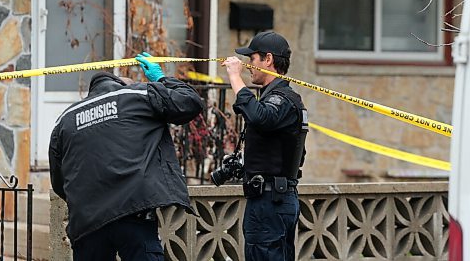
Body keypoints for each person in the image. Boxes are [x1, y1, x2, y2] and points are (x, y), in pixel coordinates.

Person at [49, 52, 204, 261]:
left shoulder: (64, 120)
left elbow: (59, 181)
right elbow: (190, 102)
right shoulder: (137, 95)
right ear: (119, 84)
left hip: (88, 223)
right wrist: (160, 79)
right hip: (133, 213)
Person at [221, 31, 308, 261]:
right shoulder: (279, 99)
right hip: (273, 200)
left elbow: (261, 118)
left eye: (253, 59)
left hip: (271, 203)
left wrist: (234, 77)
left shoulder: (282, 99)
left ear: (267, 59)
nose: (249, 66)